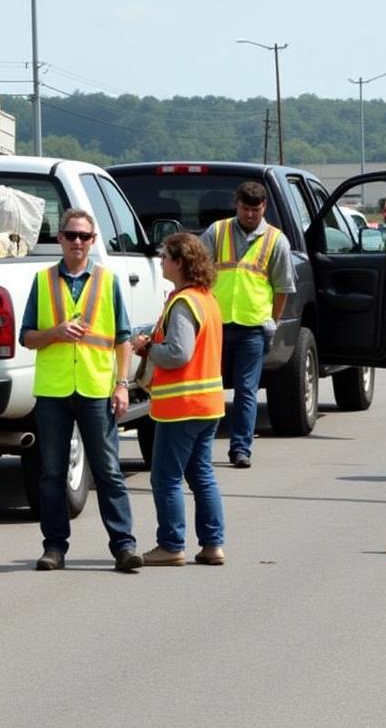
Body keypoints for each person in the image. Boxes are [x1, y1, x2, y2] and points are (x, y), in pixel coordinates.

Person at [20, 208, 142, 573]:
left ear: (92, 241)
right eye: (71, 235)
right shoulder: (42, 281)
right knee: (52, 473)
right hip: (54, 391)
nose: (77, 242)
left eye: (84, 237)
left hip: (95, 388)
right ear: (59, 238)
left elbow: (123, 338)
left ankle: (124, 546)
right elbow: (26, 337)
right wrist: (54, 333)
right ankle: (54, 548)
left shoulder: (108, 282)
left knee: (107, 471)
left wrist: (122, 385)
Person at [133, 232, 226, 566]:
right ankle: (212, 544)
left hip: (181, 406)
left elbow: (178, 353)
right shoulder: (206, 299)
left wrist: (147, 348)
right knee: (201, 474)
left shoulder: (184, 302)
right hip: (207, 402)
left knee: (165, 477)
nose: (161, 261)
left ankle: (171, 545)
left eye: (165, 256)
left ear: (180, 262)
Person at [201, 181, 295, 468]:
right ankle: (203, 447)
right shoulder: (217, 232)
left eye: (255, 209)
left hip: (253, 327)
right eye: (245, 208)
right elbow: (197, 272)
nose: (250, 215)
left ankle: (240, 449)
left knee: (246, 389)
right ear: (236, 204)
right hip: (216, 325)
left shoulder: (275, 240)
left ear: (263, 206)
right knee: (209, 386)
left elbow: (282, 287)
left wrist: (272, 321)